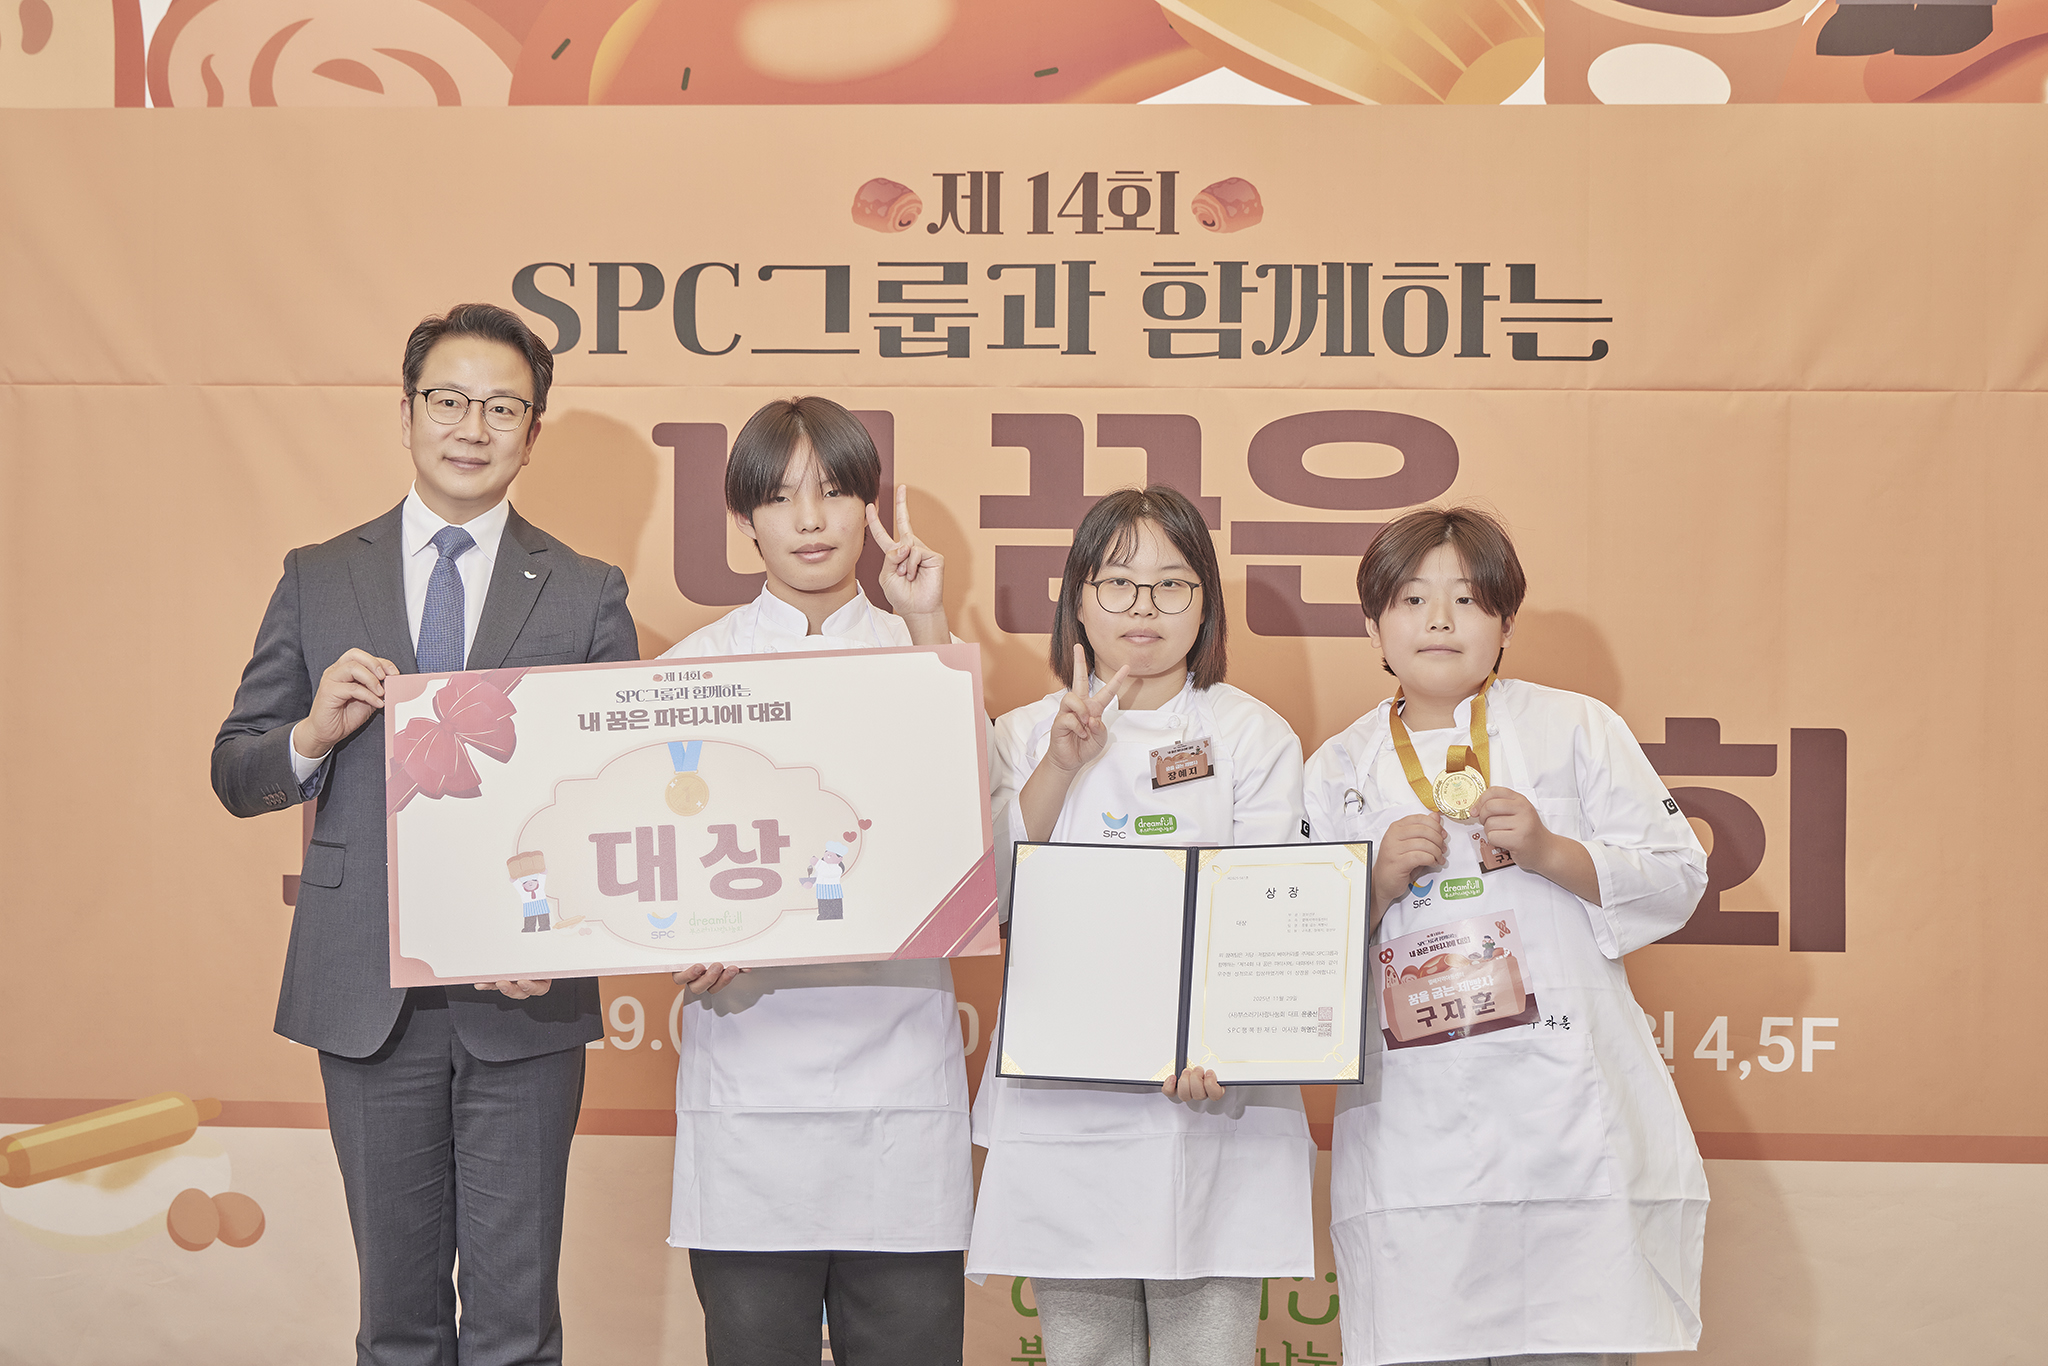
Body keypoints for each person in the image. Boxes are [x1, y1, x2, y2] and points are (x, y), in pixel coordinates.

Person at [210, 303, 636, 1366]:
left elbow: (617, 797)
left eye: (502, 408)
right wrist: (312, 732)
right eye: (448, 400)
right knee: (395, 1324)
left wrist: (556, 936)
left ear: (532, 432)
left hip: (524, 999)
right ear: (405, 412)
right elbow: (237, 770)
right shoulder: (318, 574)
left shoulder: (586, 590)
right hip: (369, 993)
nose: (471, 427)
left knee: (515, 1325)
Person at [1301, 506, 1710, 1366]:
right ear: (1373, 625)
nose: (1440, 621)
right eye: (1412, 600)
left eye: (1466, 599)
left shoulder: (1578, 728)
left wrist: (1553, 852)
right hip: (1415, 1127)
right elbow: (1293, 950)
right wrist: (1374, 884)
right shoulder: (1337, 767)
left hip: (1562, 1115)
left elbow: (1678, 875)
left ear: (1506, 623)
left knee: (1569, 1340)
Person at [969, 486, 1315, 1366]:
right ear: (1078, 601)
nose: (1145, 607)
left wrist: (1223, 1046)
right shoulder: (1023, 735)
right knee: (1084, 1352)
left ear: (1205, 604)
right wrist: (1060, 765)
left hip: (1209, 1095)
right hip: (1066, 1095)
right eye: (1118, 583)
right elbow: (988, 900)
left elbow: (1273, 913)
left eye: (1172, 584)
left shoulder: (1252, 735)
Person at [662, 397, 970, 1366]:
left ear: (869, 508)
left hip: (900, 1080)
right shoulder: (689, 672)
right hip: (749, 1087)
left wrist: (926, 624)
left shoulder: (923, 651)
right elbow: (650, 867)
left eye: (834, 492)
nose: (809, 519)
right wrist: (679, 940)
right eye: (780, 496)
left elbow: (976, 835)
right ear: (742, 518)